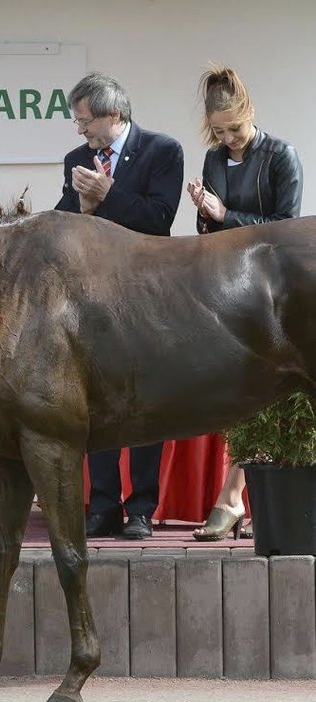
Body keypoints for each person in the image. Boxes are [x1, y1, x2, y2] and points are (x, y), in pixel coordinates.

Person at [54, 72, 184, 540]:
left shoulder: (162, 151)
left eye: (86, 121)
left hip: (147, 291)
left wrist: (108, 195)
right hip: (94, 294)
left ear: (115, 116)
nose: (81, 131)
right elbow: (64, 223)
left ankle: (141, 508)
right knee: (96, 401)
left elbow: (158, 218)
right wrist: (83, 210)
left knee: (147, 398)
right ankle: (102, 505)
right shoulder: (77, 159)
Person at [186, 65, 303, 541]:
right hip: (228, 285)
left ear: (250, 112)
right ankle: (234, 497)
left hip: (273, 289)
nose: (229, 139)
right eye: (219, 131)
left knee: (266, 383)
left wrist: (225, 214)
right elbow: (209, 234)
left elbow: (285, 228)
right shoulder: (214, 159)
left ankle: (232, 496)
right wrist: (203, 213)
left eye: (235, 128)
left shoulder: (281, 156)